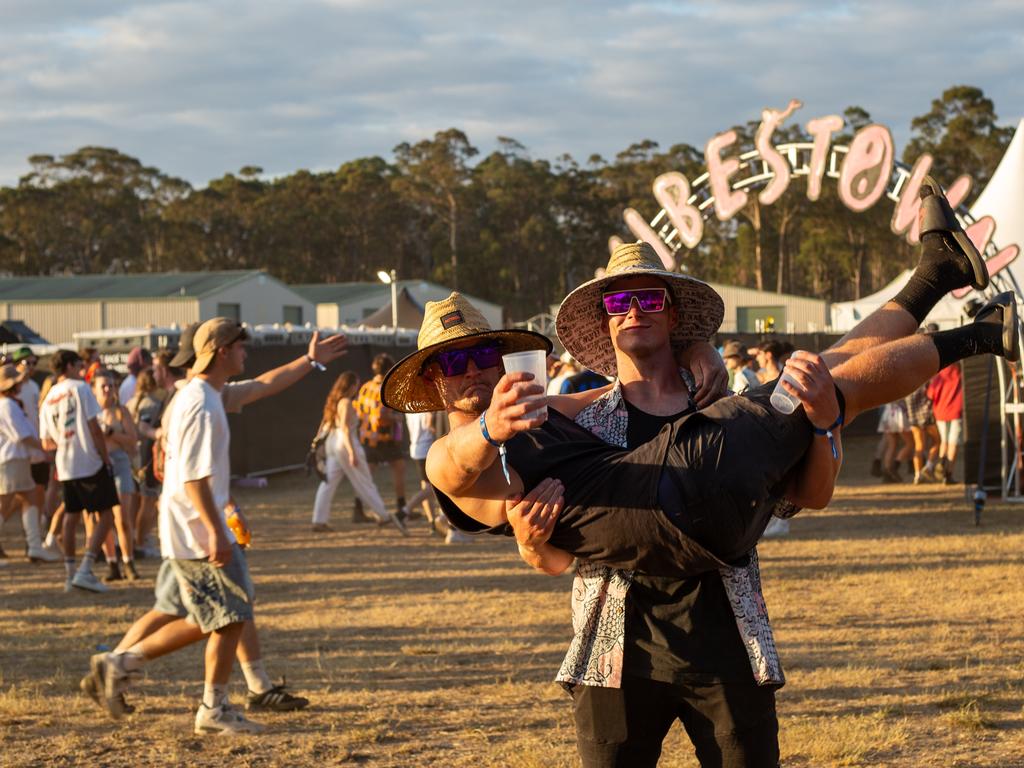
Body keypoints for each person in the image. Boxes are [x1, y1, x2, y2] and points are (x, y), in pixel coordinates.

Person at [385, 179, 1013, 764]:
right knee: (831, 373)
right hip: (616, 646)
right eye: (451, 363)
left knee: (826, 377)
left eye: (477, 355)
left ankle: (957, 301)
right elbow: (462, 476)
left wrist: (702, 356)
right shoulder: (483, 448)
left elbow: (805, 497)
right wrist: (527, 534)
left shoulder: (569, 410)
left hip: (723, 618)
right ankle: (956, 301)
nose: (468, 371)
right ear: (434, 385)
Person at [83, 321, 350, 720]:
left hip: (188, 524)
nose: (247, 351)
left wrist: (310, 360)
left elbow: (262, 385)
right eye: (241, 345)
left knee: (188, 607)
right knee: (229, 613)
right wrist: (214, 528)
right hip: (195, 529)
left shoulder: (207, 394)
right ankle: (132, 671)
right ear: (222, 350)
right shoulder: (201, 404)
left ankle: (119, 668)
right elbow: (193, 477)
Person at [39, 349, 118, 593]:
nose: (82, 370)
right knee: (107, 515)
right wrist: (105, 458)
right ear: (70, 366)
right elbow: (95, 427)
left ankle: (70, 575)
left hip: (65, 464)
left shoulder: (49, 396)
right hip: (88, 461)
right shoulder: (81, 388)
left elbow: (46, 443)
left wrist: (63, 443)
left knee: (72, 516)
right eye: (79, 365)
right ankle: (85, 569)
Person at [311, 371, 404, 534]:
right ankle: (383, 515)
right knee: (364, 481)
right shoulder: (346, 402)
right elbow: (346, 429)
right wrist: (352, 452)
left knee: (328, 482)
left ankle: (319, 520)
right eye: (356, 384)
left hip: (333, 443)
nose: (357, 388)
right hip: (345, 444)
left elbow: (325, 424)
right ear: (351, 385)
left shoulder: (334, 401)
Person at [0, 364, 57, 562]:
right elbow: (22, 435)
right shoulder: (7, 405)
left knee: (30, 497)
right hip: (10, 459)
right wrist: (43, 449)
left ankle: (34, 546)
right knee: (5, 503)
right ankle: (34, 545)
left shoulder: (10, 403)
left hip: (16, 459)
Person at [92, 370, 140, 581]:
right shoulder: (91, 414)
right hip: (98, 467)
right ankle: (112, 562)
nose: (108, 390)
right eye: (103, 386)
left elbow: (132, 440)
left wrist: (111, 434)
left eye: (111, 386)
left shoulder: (122, 412)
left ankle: (128, 561)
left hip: (119, 465)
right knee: (102, 519)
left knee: (122, 518)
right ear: (94, 390)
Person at [354, 354, 407, 521]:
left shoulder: (365, 387)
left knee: (366, 475)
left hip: (366, 437)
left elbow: (360, 411)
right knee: (398, 468)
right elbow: (380, 416)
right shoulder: (384, 388)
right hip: (385, 438)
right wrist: (396, 418)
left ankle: (358, 509)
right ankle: (402, 508)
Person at [127, 367, 166, 557]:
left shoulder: (131, 402)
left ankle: (136, 538)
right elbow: (144, 429)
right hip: (146, 458)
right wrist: (157, 433)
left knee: (136, 501)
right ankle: (141, 543)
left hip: (131, 458)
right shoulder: (151, 403)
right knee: (148, 501)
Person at [927, 362, 963, 484]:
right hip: (956, 411)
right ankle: (948, 474)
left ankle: (941, 464)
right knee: (953, 443)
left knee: (944, 441)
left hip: (940, 412)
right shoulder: (960, 373)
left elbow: (930, 394)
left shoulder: (939, 375)